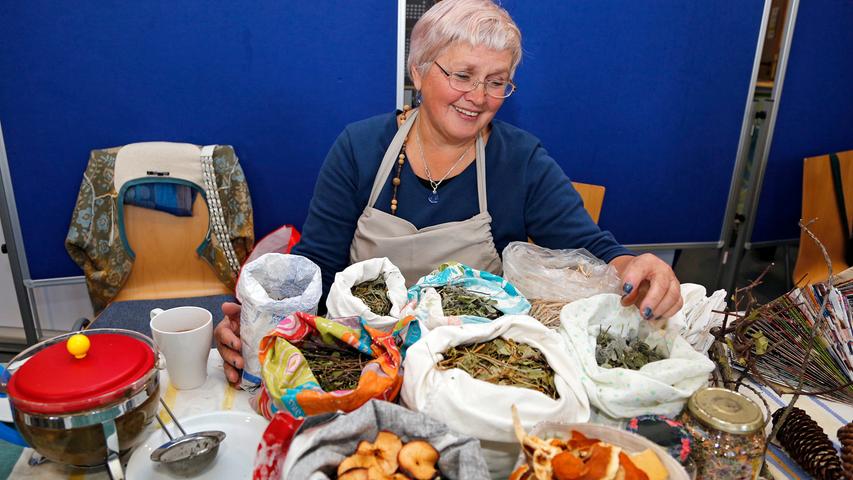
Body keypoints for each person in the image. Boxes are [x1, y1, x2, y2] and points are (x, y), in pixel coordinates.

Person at [215, 0, 682, 386]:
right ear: (418, 72)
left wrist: (635, 267)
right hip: (363, 370)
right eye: (462, 75)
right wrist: (262, 321)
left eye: (497, 81)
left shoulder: (520, 161)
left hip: (476, 375)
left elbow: (592, 250)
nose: (478, 96)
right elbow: (316, 267)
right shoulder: (359, 149)